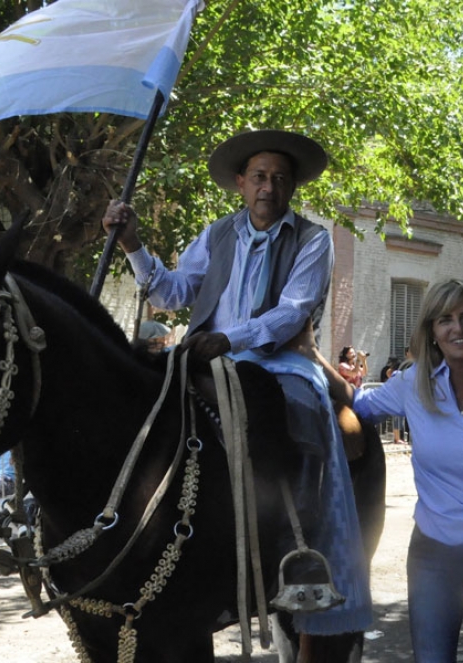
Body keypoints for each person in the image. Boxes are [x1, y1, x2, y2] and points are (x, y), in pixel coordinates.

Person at [101, 129, 370, 631]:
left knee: (300, 407)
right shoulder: (216, 233)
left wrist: (232, 339)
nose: (269, 186)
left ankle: (297, 544)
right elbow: (170, 293)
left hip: (278, 360)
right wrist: (134, 245)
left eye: (280, 179)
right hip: (206, 359)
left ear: (291, 188)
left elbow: (293, 312)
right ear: (241, 184)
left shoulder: (314, 240)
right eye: (260, 177)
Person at [302, 278, 463, 662]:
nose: (458, 328)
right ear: (432, 332)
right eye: (446, 320)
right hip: (435, 551)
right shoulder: (412, 384)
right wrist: (310, 356)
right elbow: (359, 401)